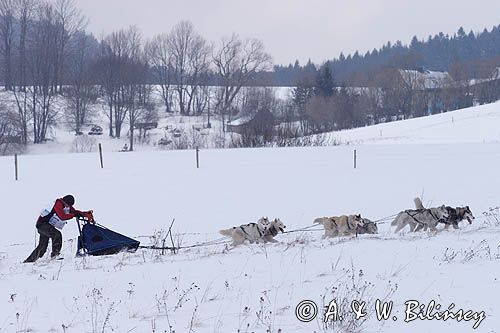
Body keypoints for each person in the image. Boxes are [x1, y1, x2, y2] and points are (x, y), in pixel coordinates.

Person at [24, 195, 91, 263]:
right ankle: (55, 255)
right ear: (65, 202)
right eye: (68, 205)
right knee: (57, 235)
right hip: (42, 224)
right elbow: (62, 216)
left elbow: (73, 211)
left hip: (46, 225)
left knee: (42, 246)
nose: (68, 207)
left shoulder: (66, 205)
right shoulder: (58, 204)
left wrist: (83, 214)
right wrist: (73, 215)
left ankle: (29, 261)